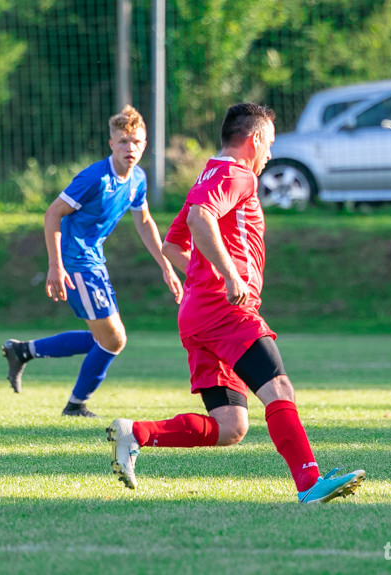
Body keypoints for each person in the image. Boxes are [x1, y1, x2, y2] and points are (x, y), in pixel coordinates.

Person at [106, 103, 365, 503]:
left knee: (230, 426)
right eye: (270, 144)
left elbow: (174, 245)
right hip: (224, 311)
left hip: (198, 312)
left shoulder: (208, 174)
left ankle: (137, 433)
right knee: (278, 386)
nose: (271, 156)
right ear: (255, 139)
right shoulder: (235, 173)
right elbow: (200, 221)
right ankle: (310, 483)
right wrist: (228, 275)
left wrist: (208, 272)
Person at [2, 105, 182, 417]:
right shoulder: (95, 178)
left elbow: (145, 222)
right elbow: (53, 214)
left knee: (107, 338)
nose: (130, 148)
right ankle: (75, 405)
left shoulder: (138, 178)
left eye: (137, 142)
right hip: (75, 262)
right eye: (123, 142)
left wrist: (166, 266)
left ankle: (24, 351)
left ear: (145, 144)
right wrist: (55, 266)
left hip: (95, 262)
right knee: (114, 338)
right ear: (111, 143)